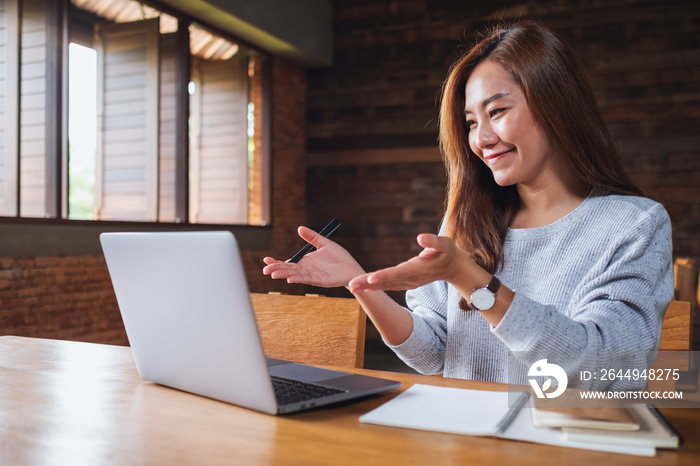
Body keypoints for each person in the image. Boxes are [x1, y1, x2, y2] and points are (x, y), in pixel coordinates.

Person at [262, 20, 673, 391]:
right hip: (464, 441)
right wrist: (361, 284)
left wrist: (471, 278)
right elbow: (433, 354)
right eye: (471, 122)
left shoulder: (633, 224)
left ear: (556, 103)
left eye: (496, 111)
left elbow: (608, 368)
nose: (482, 139)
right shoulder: (469, 220)